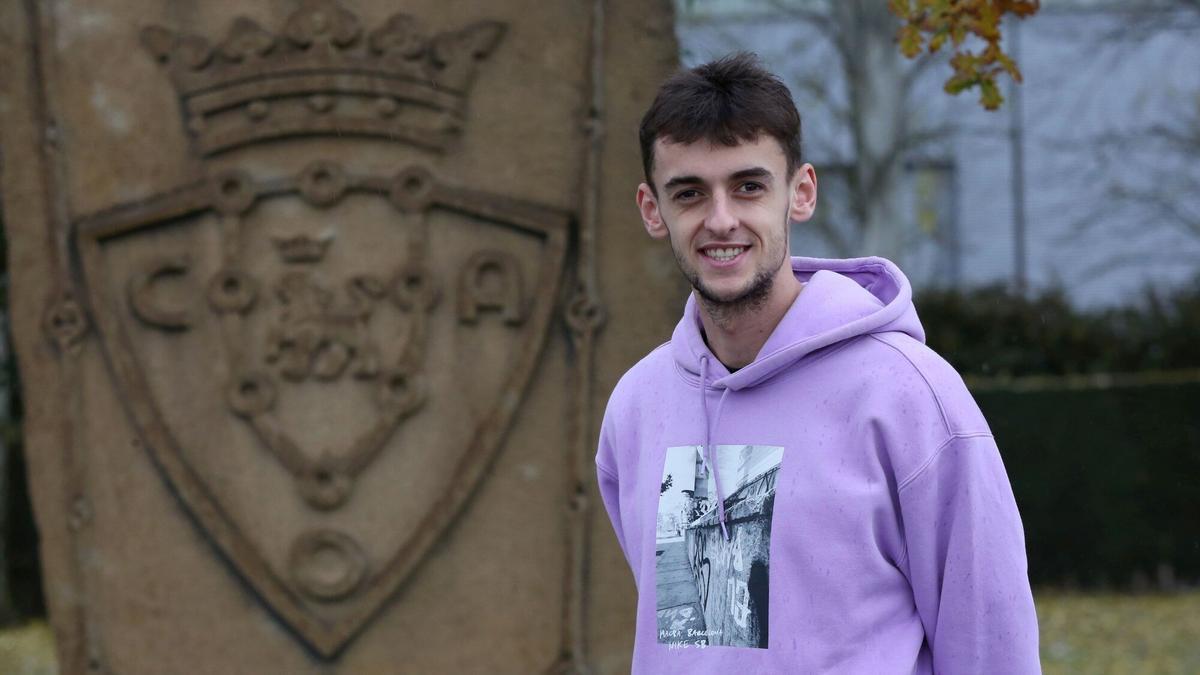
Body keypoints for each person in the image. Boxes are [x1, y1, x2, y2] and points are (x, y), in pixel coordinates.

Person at [595, 52, 1040, 673]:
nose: (721, 219)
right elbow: (701, 650)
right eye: (690, 193)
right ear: (651, 209)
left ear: (800, 192)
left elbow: (991, 643)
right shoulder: (639, 404)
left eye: (749, 186)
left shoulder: (908, 394)